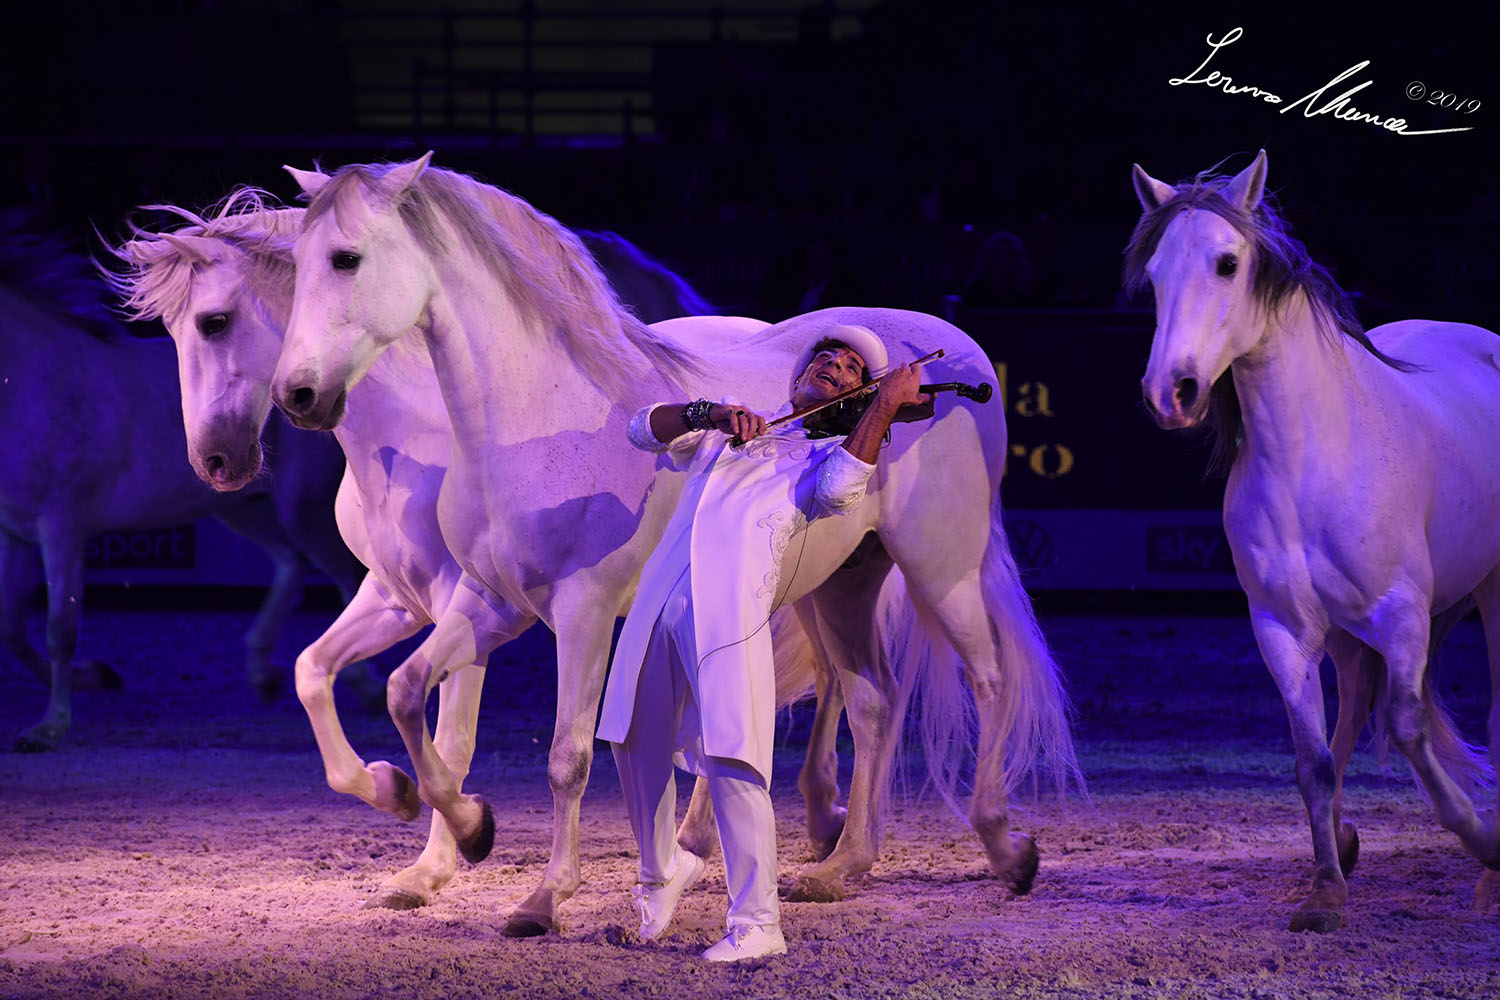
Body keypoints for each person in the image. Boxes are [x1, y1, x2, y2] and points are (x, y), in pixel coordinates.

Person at [596, 324, 931, 962]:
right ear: (798, 374)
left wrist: (885, 407)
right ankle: (662, 869)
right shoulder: (730, 432)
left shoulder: (825, 459)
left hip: (729, 622)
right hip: (654, 614)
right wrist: (711, 411)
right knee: (631, 743)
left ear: (856, 398)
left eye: (853, 368)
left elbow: (839, 493)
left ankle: (757, 923)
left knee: (733, 761)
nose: (834, 363)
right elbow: (642, 429)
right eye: (826, 355)